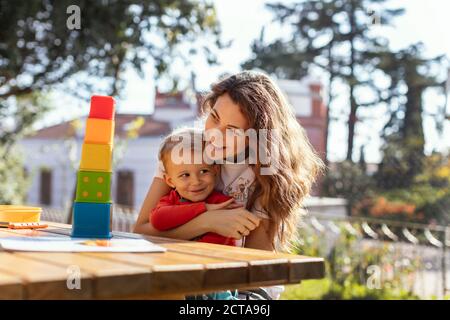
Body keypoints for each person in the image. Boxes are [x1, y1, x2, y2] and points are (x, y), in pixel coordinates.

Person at [134, 70, 324, 300]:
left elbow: (253, 268)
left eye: (232, 130)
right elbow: (143, 231)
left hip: (247, 288)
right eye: (214, 117)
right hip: (188, 274)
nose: (215, 134)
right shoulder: (182, 149)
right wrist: (207, 221)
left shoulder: (267, 173)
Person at [150, 128, 237, 247]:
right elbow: (157, 220)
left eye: (203, 171)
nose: (196, 181)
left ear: (215, 170)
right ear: (170, 181)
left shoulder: (221, 204)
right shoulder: (171, 200)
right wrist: (204, 208)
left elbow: (216, 246)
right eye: (185, 175)